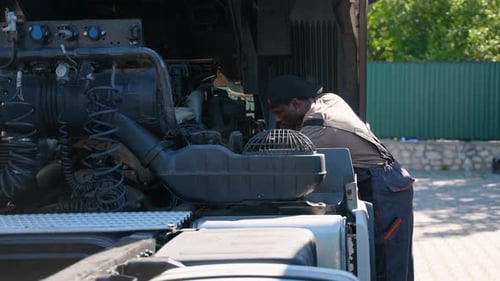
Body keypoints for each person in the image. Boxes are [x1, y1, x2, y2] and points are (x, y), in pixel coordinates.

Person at [266, 74, 414, 281]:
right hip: (390, 180)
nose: (278, 120)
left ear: (295, 103)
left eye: (279, 113)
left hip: (384, 187)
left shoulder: (317, 130)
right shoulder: (329, 99)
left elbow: (290, 169)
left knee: (387, 263)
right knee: (396, 260)